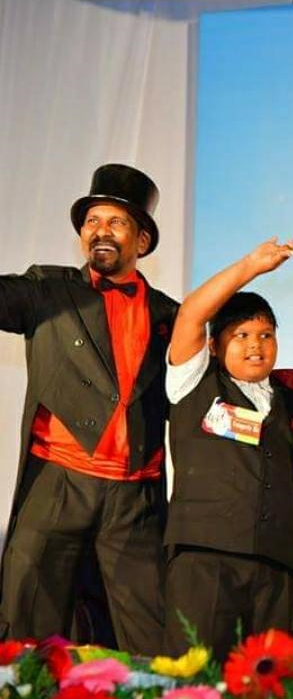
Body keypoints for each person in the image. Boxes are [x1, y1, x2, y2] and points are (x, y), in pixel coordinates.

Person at [0, 163, 176, 654]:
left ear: (142, 241)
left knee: (151, 640)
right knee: (26, 627)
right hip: (58, 480)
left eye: (116, 222)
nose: (100, 230)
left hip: (134, 497)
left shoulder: (169, 314)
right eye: (92, 221)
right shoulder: (48, 290)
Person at [162, 237, 293, 659]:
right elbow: (190, 314)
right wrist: (252, 265)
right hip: (204, 561)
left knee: (268, 685)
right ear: (214, 345)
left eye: (266, 335)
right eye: (241, 335)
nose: (255, 345)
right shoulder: (193, 382)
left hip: (277, 568)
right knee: (198, 682)